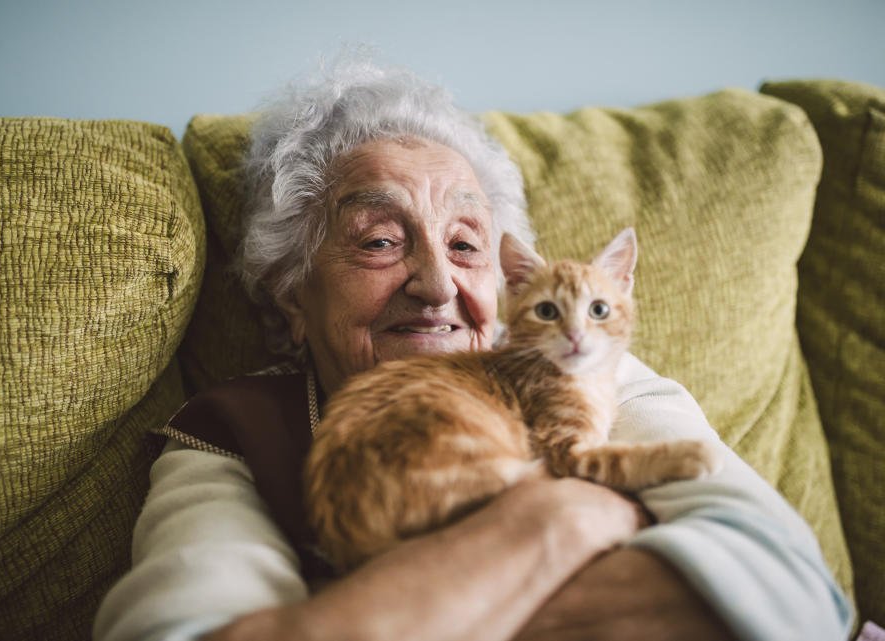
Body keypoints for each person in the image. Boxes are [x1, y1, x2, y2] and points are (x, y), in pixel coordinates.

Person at [92, 53, 853, 641]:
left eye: (465, 244)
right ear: (294, 295)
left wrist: (375, 606)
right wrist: (563, 520)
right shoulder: (224, 434)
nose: (435, 283)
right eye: (382, 240)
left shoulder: (595, 372)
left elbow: (793, 595)